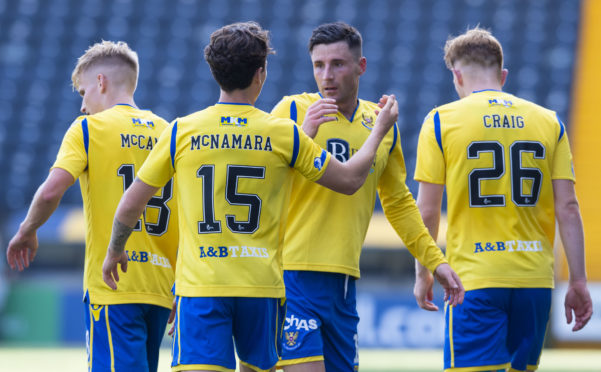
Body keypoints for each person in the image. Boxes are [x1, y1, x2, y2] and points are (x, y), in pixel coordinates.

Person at [101, 21, 399, 372]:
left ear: (215, 73)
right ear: (261, 73)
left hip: (203, 288)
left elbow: (131, 204)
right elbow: (350, 180)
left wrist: (115, 251)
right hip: (262, 290)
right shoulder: (282, 133)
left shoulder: (183, 130)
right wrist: (379, 131)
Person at [270, 22, 464, 372]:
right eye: (318, 65)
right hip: (290, 276)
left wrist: (436, 261)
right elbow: (263, 182)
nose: (326, 75)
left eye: (338, 64)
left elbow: (398, 202)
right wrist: (302, 135)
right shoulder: (293, 111)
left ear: (361, 66)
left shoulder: (380, 123)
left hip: (344, 284)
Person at [413, 27, 593, 372]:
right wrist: (578, 281)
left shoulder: (440, 121)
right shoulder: (549, 122)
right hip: (534, 283)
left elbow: (427, 210)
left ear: (457, 75)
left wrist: (424, 273)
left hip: (473, 281)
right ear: (503, 75)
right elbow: (568, 207)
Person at [6, 41, 178, 372]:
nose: (83, 105)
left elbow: (50, 191)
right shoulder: (168, 131)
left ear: (100, 82)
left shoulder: (88, 129)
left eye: (83, 92)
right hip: (160, 288)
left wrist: (27, 230)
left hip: (112, 285)